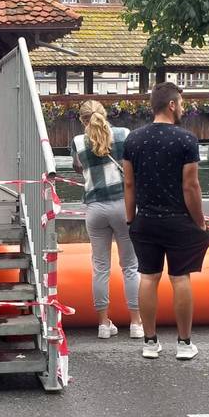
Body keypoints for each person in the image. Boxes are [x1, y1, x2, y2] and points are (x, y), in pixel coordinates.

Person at [122, 82, 209, 360]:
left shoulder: (133, 140)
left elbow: (128, 183)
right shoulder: (186, 140)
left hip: (145, 220)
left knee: (148, 277)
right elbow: (191, 186)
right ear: (172, 105)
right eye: (181, 103)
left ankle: (150, 342)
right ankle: (184, 344)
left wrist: (130, 220)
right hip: (178, 221)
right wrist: (200, 222)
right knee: (179, 278)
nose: (182, 108)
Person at [70, 100, 142, 340]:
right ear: (105, 114)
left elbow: (79, 168)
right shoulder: (124, 135)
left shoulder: (79, 142)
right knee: (130, 266)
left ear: (82, 120)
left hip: (95, 208)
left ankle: (103, 324)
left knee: (100, 267)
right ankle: (136, 323)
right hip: (123, 205)